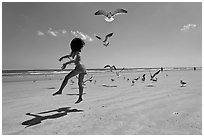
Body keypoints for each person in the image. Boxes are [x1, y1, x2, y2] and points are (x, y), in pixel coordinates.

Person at [53, 38, 87, 104]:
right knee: (80, 83)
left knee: (67, 77)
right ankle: (80, 97)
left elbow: (73, 60)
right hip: (83, 68)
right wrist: (63, 58)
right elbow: (71, 57)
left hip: (79, 67)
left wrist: (65, 63)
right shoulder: (78, 52)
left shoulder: (76, 52)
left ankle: (60, 90)